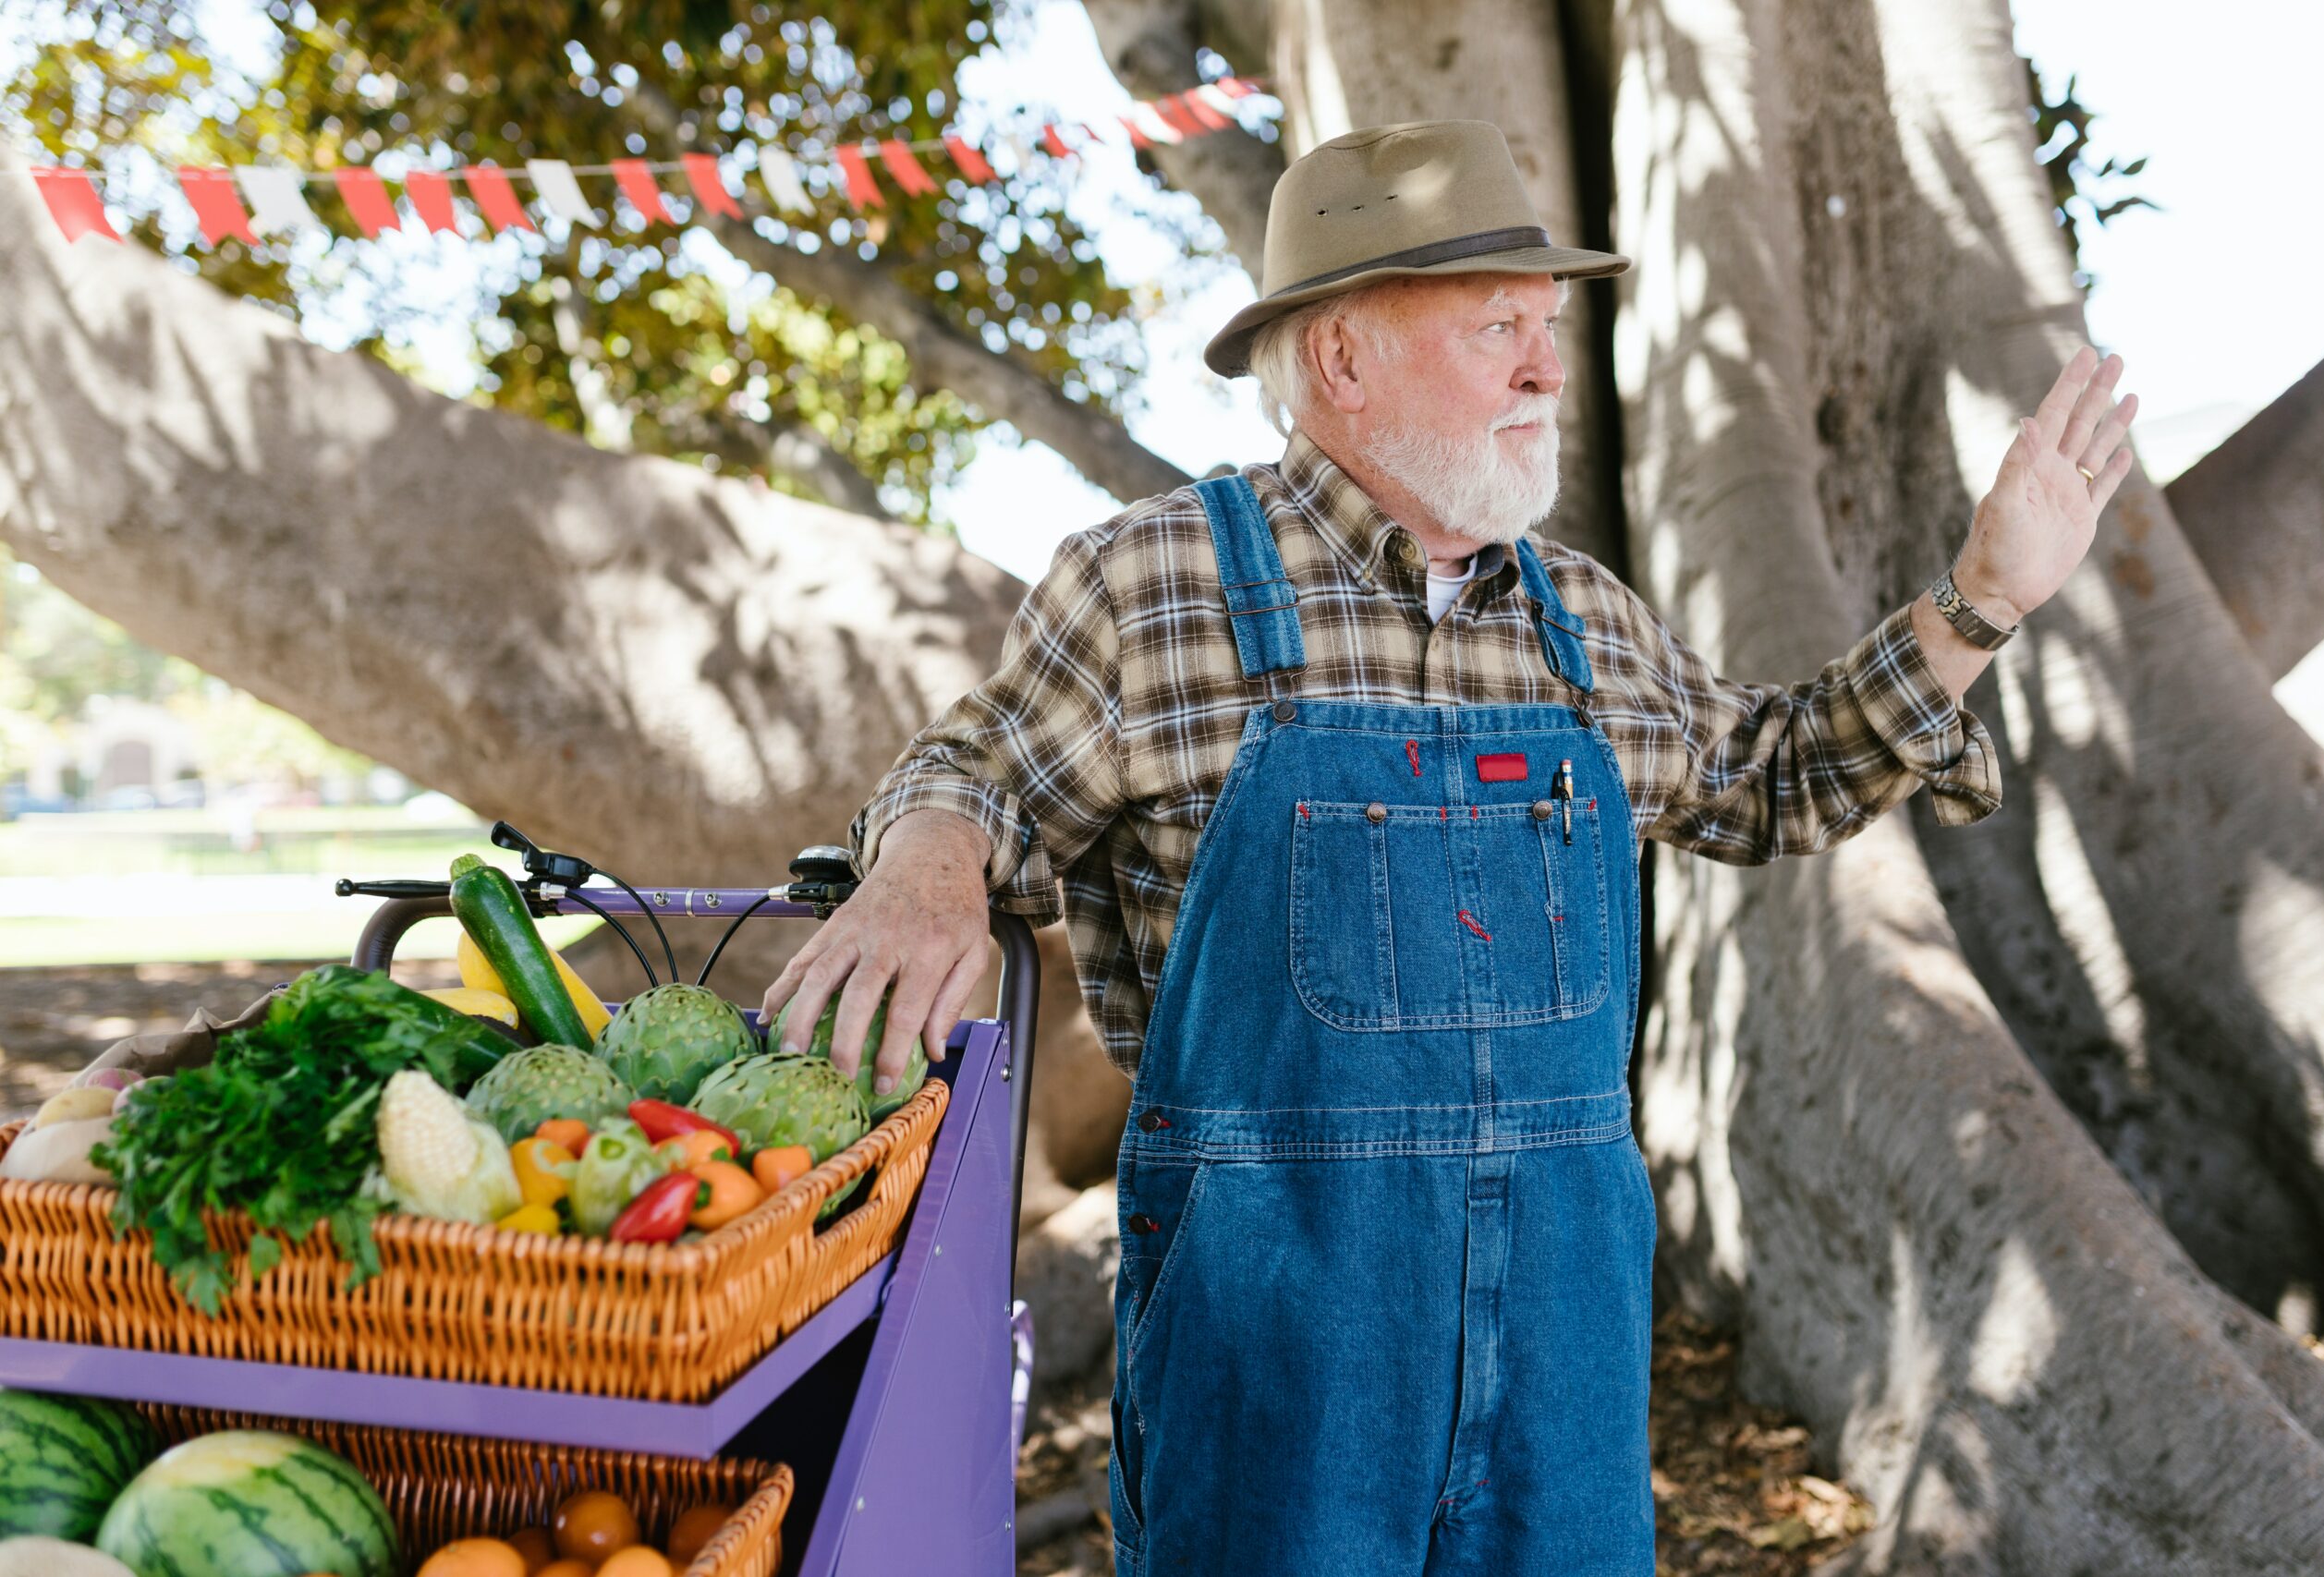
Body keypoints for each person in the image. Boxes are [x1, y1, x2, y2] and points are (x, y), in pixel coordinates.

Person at [759, 119, 2135, 1575]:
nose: (1549, 370)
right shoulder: (1155, 581)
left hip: (1564, 1381)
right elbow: (971, 773)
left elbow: (1774, 773)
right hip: (1277, 1368)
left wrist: (1981, 601)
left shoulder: (1582, 622)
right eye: (1500, 330)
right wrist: (923, 866)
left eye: (1545, 329)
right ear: (1344, 361)